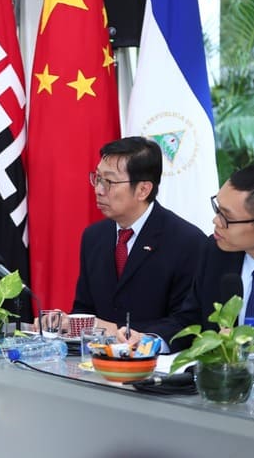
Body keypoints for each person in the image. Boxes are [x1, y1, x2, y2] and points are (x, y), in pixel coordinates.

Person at [122, 164, 254, 370]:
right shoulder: (215, 251)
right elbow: (189, 319)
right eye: (217, 209)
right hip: (217, 386)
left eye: (227, 217)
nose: (216, 221)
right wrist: (151, 340)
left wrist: (249, 355)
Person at [73, 137, 207, 336]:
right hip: (96, 354)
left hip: (153, 355)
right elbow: (84, 308)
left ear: (143, 190)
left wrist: (123, 332)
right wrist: (67, 323)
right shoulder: (94, 237)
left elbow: (185, 322)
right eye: (98, 178)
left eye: (109, 182)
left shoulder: (187, 242)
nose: (98, 190)